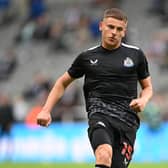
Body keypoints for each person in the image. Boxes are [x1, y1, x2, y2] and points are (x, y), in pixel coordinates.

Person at [36, 8, 153, 168]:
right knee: (104, 153)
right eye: (110, 27)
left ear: (124, 32)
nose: (114, 32)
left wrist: (143, 100)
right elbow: (62, 82)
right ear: (101, 26)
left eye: (119, 29)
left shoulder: (136, 55)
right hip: (100, 116)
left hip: (127, 122)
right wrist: (46, 110)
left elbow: (147, 87)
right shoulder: (87, 57)